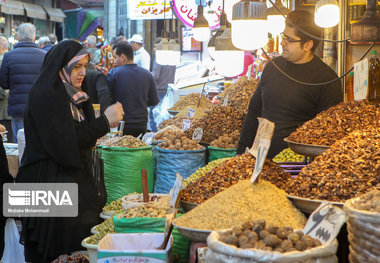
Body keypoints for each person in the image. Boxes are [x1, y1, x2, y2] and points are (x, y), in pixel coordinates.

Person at [16, 40, 124, 262]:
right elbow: (66, 144)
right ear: (61, 67)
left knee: (71, 251)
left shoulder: (72, 96)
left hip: (58, 179)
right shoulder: (45, 95)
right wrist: (105, 121)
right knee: (53, 251)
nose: (82, 72)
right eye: (76, 66)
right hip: (43, 182)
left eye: (85, 65)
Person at [237, 10, 343, 158]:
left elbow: (326, 135)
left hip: (296, 167)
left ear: (307, 45)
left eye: (288, 39)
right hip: (259, 160)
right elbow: (254, 112)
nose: (282, 42)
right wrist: (240, 153)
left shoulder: (327, 80)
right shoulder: (272, 67)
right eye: (283, 36)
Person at [0, 23, 46, 142]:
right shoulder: (44, 56)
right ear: (34, 37)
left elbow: (4, 84)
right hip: (39, 106)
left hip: (18, 107)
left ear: (19, 37)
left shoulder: (9, 56)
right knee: (38, 141)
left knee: (19, 143)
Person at [107, 41, 158, 137]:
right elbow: (153, 101)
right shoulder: (147, 74)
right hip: (142, 124)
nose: (114, 61)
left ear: (122, 57)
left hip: (121, 125)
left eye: (115, 57)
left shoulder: (113, 74)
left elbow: (107, 99)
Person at [148, 38, 176, 131]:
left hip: (158, 90)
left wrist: (148, 75)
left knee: (154, 116)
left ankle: (155, 136)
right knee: (165, 118)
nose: (154, 49)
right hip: (169, 91)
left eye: (156, 47)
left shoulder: (159, 58)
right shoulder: (172, 57)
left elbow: (155, 76)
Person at [0, 36, 12, 142]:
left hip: (3, 110)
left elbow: (3, 90)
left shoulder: (2, 60)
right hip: (12, 108)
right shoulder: (13, 58)